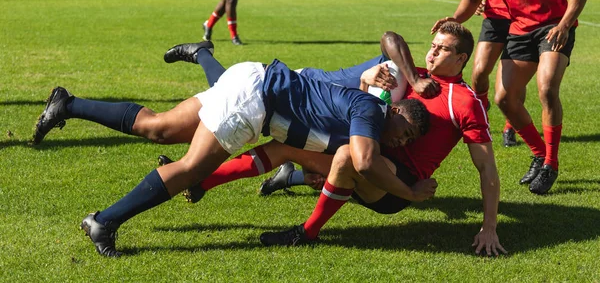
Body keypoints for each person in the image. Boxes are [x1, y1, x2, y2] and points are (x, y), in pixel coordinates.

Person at [32, 49, 431, 258]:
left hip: (251, 78)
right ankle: (104, 221)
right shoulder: (371, 111)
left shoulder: (367, 100)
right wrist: (410, 193)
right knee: (189, 169)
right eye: (404, 133)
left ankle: (68, 104)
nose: (400, 142)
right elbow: (363, 161)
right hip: (255, 99)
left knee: (159, 128)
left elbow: (359, 99)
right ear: (395, 109)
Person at [165, 21, 505, 256]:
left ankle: (306, 232)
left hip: (396, 183)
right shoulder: (412, 74)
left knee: (346, 156)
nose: (432, 54)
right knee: (287, 143)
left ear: (461, 59)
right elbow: (389, 39)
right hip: (364, 148)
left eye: (443, 50)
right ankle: (202, 183)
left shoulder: (464, 101)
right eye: (432, 46)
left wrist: (489, 227)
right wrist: (371, 78)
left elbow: (487, 169)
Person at [431, 0, 591, 195]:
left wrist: (564, 24)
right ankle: (538, 152)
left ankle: (550, 164)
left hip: (553, 28)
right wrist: (454, 19)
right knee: (504, 98)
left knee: (546, 88)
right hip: (519, 32)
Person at [470, 0, 524, 147]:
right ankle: (481, 110)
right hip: (495, 16)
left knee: (515, 79)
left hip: (525, 18)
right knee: (479, 71)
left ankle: (510, 127)